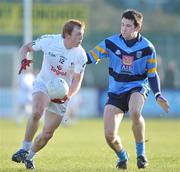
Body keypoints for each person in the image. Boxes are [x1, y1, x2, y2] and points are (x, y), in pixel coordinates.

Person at [87, 9, 169, 169]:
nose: (123, 28)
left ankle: (141, 154)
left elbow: (152, 74)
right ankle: (123, 156)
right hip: (116, 92)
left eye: (128, 26)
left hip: (137, 87)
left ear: (137, 28)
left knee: (135, 111)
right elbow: (90, 57)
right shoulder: (110, 43)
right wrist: (73, 58)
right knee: (109, 135)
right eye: (122, 25)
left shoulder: (147, 48)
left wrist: (158, 94)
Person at [12, 19, 87, 169]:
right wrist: (23, 60)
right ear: (67, 35)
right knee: (36, 112)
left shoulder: (81, 55)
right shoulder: (50, 41)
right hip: (44, 84)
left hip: (62, 93)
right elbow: (25, 48)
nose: (81, 38)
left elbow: (77, 81)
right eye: (78, 34)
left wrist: (68, 96)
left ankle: (30, 156)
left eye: (82, 35)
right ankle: (24, 148)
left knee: (47, 133)